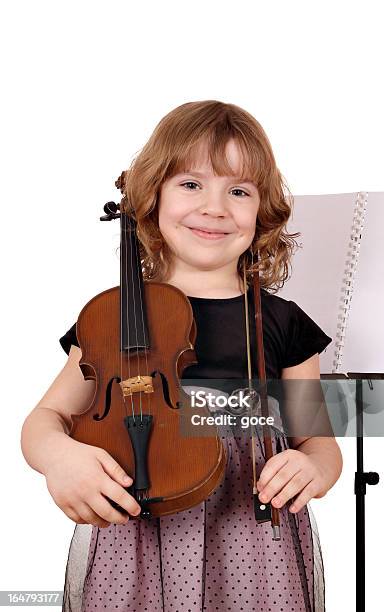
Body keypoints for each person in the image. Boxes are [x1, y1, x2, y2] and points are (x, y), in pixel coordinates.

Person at [21, 100, 343, 612]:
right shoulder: (111, 319)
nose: (214, 207)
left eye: (238, 191)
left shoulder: (282, 321)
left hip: (253, 538)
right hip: (138, 531)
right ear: (152, 197)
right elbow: (46, 418)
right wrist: (60, 456)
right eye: (191, 185)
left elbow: (319, 443)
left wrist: (312, 469)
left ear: (261, 214)